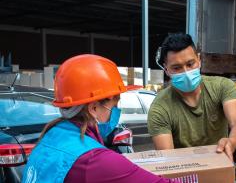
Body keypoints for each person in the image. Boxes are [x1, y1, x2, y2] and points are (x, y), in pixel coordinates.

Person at [22, 54, 180, 183]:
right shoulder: (94, 161)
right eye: (115, 104)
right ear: (94, 108)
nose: (117, 111)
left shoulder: (50, 136)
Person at [148, 33, 236, 161]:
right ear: (166, 69)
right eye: (177, 68)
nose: (186, 72)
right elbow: (168, 160)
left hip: (219, 167)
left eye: (190, 64)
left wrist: (231, 142)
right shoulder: (160, 108)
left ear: (199, 60)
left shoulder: (223, 86)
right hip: (184, 174)